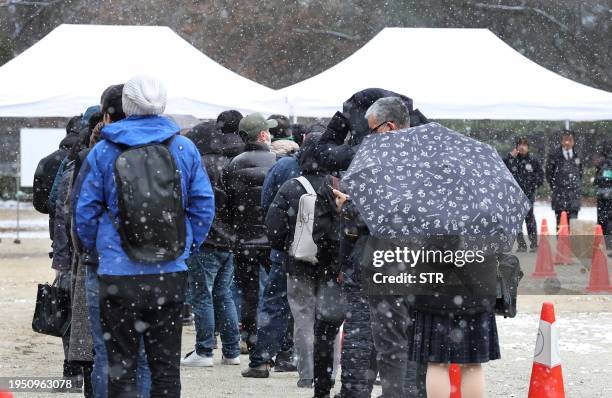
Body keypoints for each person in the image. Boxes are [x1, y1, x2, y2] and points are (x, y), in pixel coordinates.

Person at [76, 75, 214, 397]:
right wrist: (187, 244)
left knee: (120, 363)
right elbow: (203, 205)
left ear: (126, 105)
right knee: (165, 365)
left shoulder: (105, 150)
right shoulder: (183, 147)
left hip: (117, 271)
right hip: (169, 269)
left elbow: (85, 212)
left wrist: (102, 248)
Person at [180, 120, 243, 367]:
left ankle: (204, 350)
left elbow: (190, 202)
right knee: (223, 295)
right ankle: (231, 350)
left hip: (205, 239)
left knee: (202, 296)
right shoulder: (232, 164)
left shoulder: (198, 165)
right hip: (229, 240)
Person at [223, 112, 277, 352]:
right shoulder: (277, 161)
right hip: (272, 239)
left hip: (244, 240)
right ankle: (278, 346)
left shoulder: (233, 164)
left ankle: (251, 340)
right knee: (275, 294)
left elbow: (226, 206)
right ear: (263, 134)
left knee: (248, 293)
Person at [503, 137, 544, 252]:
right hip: (514, 195)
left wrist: (531, 183)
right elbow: (500, 166)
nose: (522, 146)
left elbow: (540, 177)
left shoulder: (533, 160)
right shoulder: (511, 159)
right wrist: (510, 156)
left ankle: (534, 244)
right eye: (519, 144)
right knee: (516, 220)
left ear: (528, 147)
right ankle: (521, 244)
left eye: (524, 144)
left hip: (528, 195)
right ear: (516, 146)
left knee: (529, 219)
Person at [546, 130, 583, 230]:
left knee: (573, 224)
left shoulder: (578, 155)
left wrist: (574, 186)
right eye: (565, 140)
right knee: (561, 225)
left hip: (574, 196)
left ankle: (573, 245)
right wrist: (556, 186)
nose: (567, 142)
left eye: (570, 140)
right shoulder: (554, 155)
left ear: (574, 141)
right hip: (559, 196)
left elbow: (580, 173)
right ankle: (561, 245)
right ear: (561, 141)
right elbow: (549, 174)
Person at [594, 139, 612, 255]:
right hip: (604, 196)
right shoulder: (604, 163)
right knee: (605, 220)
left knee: (605, 220)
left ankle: (606, 245)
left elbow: (600, 180)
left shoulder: (605, 163)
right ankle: (606, 245)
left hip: (605, 196)